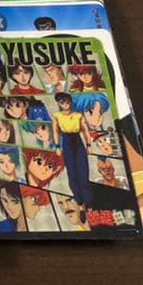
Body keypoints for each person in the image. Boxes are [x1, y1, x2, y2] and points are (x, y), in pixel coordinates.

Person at [52, 92, 93, 221]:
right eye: (62, 102)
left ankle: (88, 203)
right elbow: (56, 131)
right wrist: (57, 146)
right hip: (67, 142)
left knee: (84, 173)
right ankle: (80, 205)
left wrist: (88, 144)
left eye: (67, 102)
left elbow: (85, 130)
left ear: (70, 102)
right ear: (59, 103)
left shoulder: (78, 115)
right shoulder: (57, 116)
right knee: (72, 175)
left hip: (78, 142)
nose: (65, 104)